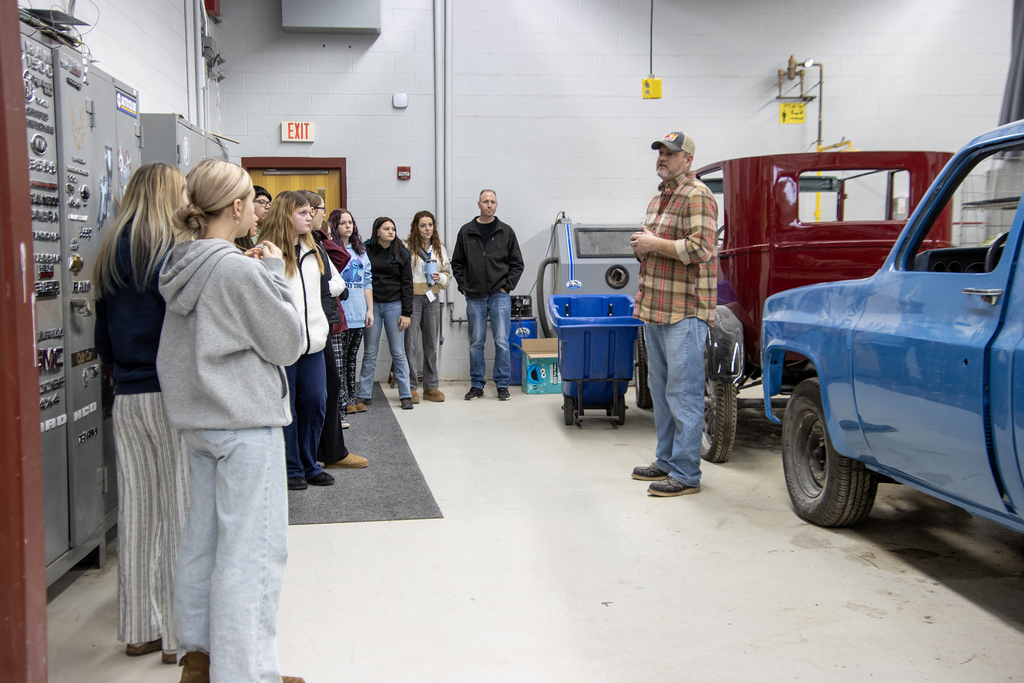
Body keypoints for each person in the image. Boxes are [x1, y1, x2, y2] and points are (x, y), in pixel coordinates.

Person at [156, 159, 306, 683]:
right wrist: (269, 274)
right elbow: (289, 343)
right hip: (244, 424)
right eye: (250, 200)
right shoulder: (238, 269)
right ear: (237, 207)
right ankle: (247, 673)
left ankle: (200, 660)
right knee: (254, 553)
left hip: (199, 421)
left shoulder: (182, 262)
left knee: (204, 541)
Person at [93, 162, 189, 666]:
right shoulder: (169, 251)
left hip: (127, 395)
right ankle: (177, 637)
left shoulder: (110, 248)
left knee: (136, 510)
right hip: (170, 394)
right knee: (177, 512)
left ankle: (138, 630)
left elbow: (102, 336)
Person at [629, 132, 718, 497]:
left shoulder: (698, 195)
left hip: (684, 311)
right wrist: (642, 248)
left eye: (670, 153)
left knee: (684, 394)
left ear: (688, 159)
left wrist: (654, 244)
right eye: (660, 153)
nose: (662, 158)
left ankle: (686, 472)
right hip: (655, 309)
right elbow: (656, 246)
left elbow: (701, 248)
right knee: (661, 391)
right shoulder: (659, 199)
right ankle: (666, 460)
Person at [259, 191, 346, 490]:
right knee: (289, 407)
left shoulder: (316, 250)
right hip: (282, 345)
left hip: (314, 343)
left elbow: (330, 288)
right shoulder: (267, 252)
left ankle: (310, 463)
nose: (310, 217)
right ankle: (292, 466)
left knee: (316, 401)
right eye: (303, 213)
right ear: (286, 215)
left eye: (311, 212)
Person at [300, 191, 367, 471]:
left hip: (321, 320)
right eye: (316, 211)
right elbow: (323, 283)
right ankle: (314, 455)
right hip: (309, 325)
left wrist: (322, 234)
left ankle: (329, 450)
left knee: (328, 386)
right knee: (317, 391)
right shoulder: (303, 244)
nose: (317, 216)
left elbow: (337, 270)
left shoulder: (316, 241)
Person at [451, 189, 523, 401]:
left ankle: (502, 385)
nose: (489, 205)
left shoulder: (506, 232)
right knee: (476, 342)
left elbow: (517, 264)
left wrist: (506, 286)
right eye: (485, 201)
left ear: (496, 205)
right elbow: (457, 263)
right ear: (479, 204)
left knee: (501, 341)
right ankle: (477, 385)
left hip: (499, 294)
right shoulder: (466, 231)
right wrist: (463, 286)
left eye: (492, 202)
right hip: (474, 295)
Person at [357, 216, 415, 410]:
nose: (391, 232)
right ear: (377, 232)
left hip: (394, 306)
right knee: (370, 352)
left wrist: (406, 312)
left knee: (398, 352)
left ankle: (405, 394)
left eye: (393, 229)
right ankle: (364, 394)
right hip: (372, 307)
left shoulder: (402, 253)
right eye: (386, 229)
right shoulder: (365, 250)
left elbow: (408, 285)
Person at [329, 209, 374, 414]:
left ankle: (352, 397)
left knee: (352, 357)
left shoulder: (360, 252)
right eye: (343, 223)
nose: (348, 226)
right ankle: (344, 399)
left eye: (350, 222)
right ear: (335, 227)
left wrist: (370, 310)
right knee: (341, 360)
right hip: (341, 314)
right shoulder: (331, 250)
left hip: (358, 312)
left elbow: (367, 282)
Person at [404, 210, 451, 402]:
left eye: (430, 225)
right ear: (416, 227)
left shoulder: (439, 248)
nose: (427, 229)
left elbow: (448, 272)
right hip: (413, 298)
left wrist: (441, 278)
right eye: (423, 225)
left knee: (431, 343)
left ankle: (431, 387)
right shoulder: (407, 247)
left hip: (432, 297)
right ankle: (410, 387)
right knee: (411, 343)